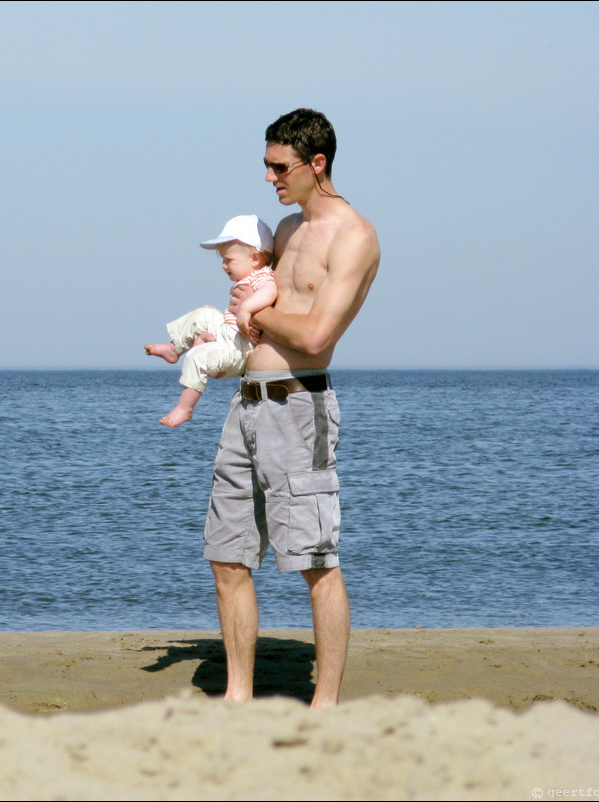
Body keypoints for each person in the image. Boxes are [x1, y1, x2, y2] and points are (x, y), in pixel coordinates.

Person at [205, 108, 380, 707]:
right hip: (245, 406)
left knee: (314, 559)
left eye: (280, 167)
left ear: (317, 163)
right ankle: (237, 699)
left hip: (299, 407)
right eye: (267, 165)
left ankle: (325, 707)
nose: (270, 177)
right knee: (227, 556)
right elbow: (258, 309)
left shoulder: (353, 236)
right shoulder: (284, 230)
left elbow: (312, 336)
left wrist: (254, 316)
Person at [144, 215, 278, 427]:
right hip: (230, 334)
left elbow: (270, 292)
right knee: (203, 314)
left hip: (242, 347)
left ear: (254, 258)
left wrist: (246, 308)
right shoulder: (249, 277)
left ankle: (185, 408)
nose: (224, 266)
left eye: (229, 260)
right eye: (223, 260)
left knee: (198, 356)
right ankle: (174, 348)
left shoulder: (262, 276)